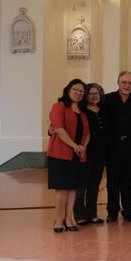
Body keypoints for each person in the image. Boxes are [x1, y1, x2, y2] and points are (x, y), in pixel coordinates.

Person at [47, 79, 90, 232]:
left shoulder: (82, 111)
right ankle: (58, 220)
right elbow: (58, 129)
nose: (78, 93)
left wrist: (83, 146)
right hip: (60, 153)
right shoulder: (59, 106)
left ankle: (69, 218)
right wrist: (75, 146)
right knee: (62, 188)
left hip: (77, 155)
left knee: (73, 188)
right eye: (75, 90)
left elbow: (87, 133)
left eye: (81, 91)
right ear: (68, 90)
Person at [103, 71, 131, 222]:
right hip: (113, 145)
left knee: (130, 180)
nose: (127, 85)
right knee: (113, 180)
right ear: (118, 83)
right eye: (124, 82)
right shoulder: (107, 99)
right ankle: (112, 211)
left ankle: (128, 211)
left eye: (130, 83)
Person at [75, 83, 107, 225]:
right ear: (85, 96)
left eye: (97, 93)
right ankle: (79, 215)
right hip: (85, 154)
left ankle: (92, 214)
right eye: (91, 93)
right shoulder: (81, 111)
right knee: (81, 186)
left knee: (94, 185)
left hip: (100, 154)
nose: (94, 96)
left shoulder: (103, 110)